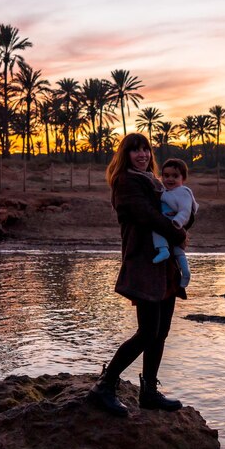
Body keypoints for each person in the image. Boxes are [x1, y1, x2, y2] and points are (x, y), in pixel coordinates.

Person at [88, 133, 191, 417]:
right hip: (143, 264)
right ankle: (104, 386)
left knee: (161, 333)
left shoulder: (157, 183)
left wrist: (184, 220)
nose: (142, 154)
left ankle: (148, 391)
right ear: (126, 155)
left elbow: (180, 211)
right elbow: (147, 215)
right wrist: (178, 231)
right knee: (147, 332)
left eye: (145, 149)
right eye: (135, 150)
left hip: (164, 264)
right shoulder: (126, 182)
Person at [152, 158, 199, 288]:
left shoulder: (183, 192)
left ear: (183, 178)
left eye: (175, 176)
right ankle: (163, 250)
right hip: (167, 225)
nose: (170, 179)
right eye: (166, 176)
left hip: (175, 225)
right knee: (157, 231)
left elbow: (185, 210)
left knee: (179, 252)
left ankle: (186, 273)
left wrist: (177, 222)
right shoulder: (165, 191)